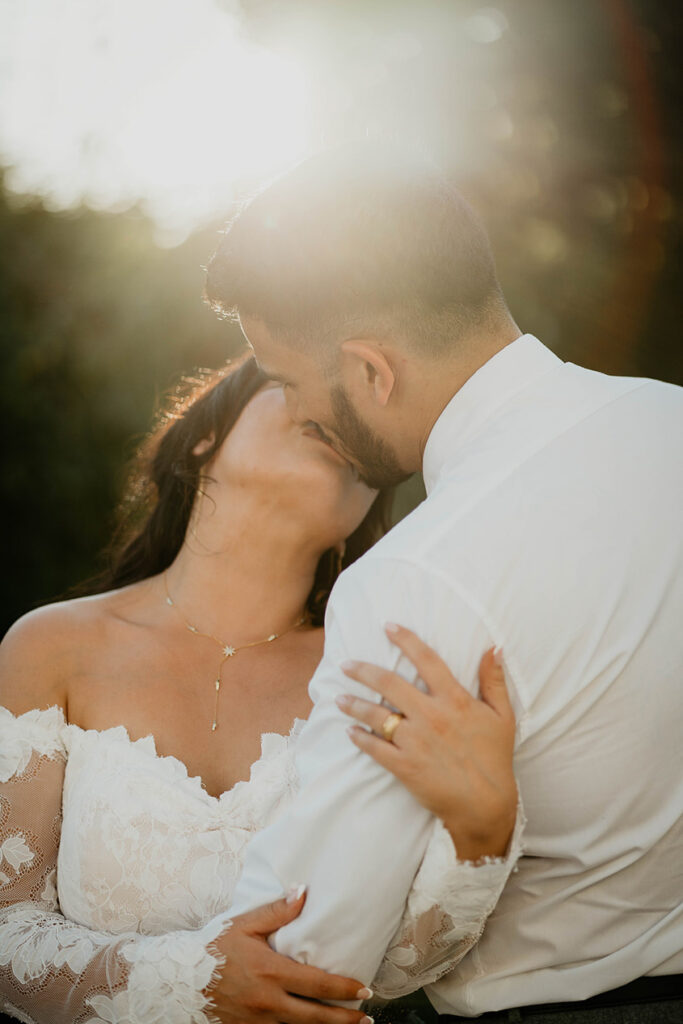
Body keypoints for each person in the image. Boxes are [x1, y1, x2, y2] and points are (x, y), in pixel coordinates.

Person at [203, 142, 683, 1022]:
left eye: (289, 383)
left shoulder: (413, 582)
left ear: (372, 370)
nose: (298, 414)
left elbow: (312, 956)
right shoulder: (671, 419)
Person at [0, 355, 522, 1024]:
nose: (341, 412)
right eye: (299, 383)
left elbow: (395, 969)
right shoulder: (49, 648)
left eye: (362, 417)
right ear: (203, 438)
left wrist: (480, 832)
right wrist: (187, 985)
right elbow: (8, 929)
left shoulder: (376, 670)